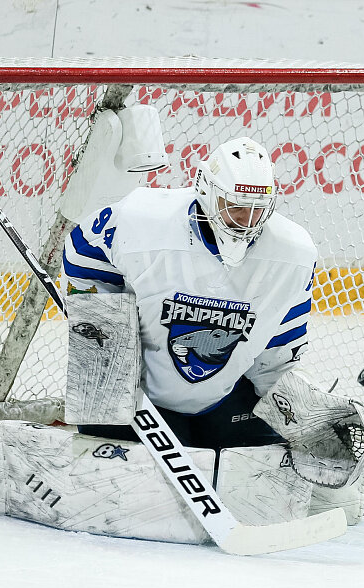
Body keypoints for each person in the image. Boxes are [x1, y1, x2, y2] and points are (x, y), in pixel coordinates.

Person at [62, 135, 316, 449]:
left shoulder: (293, 253)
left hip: (225, 400)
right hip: (137, 397)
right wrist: (104, 332)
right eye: (236, 207)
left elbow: (278, 350)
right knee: (118, 477)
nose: (247, 221)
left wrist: (310, 417)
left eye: (257, 209)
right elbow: (81, 251)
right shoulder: (142, 218)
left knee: (262, 477)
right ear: (207, 191)